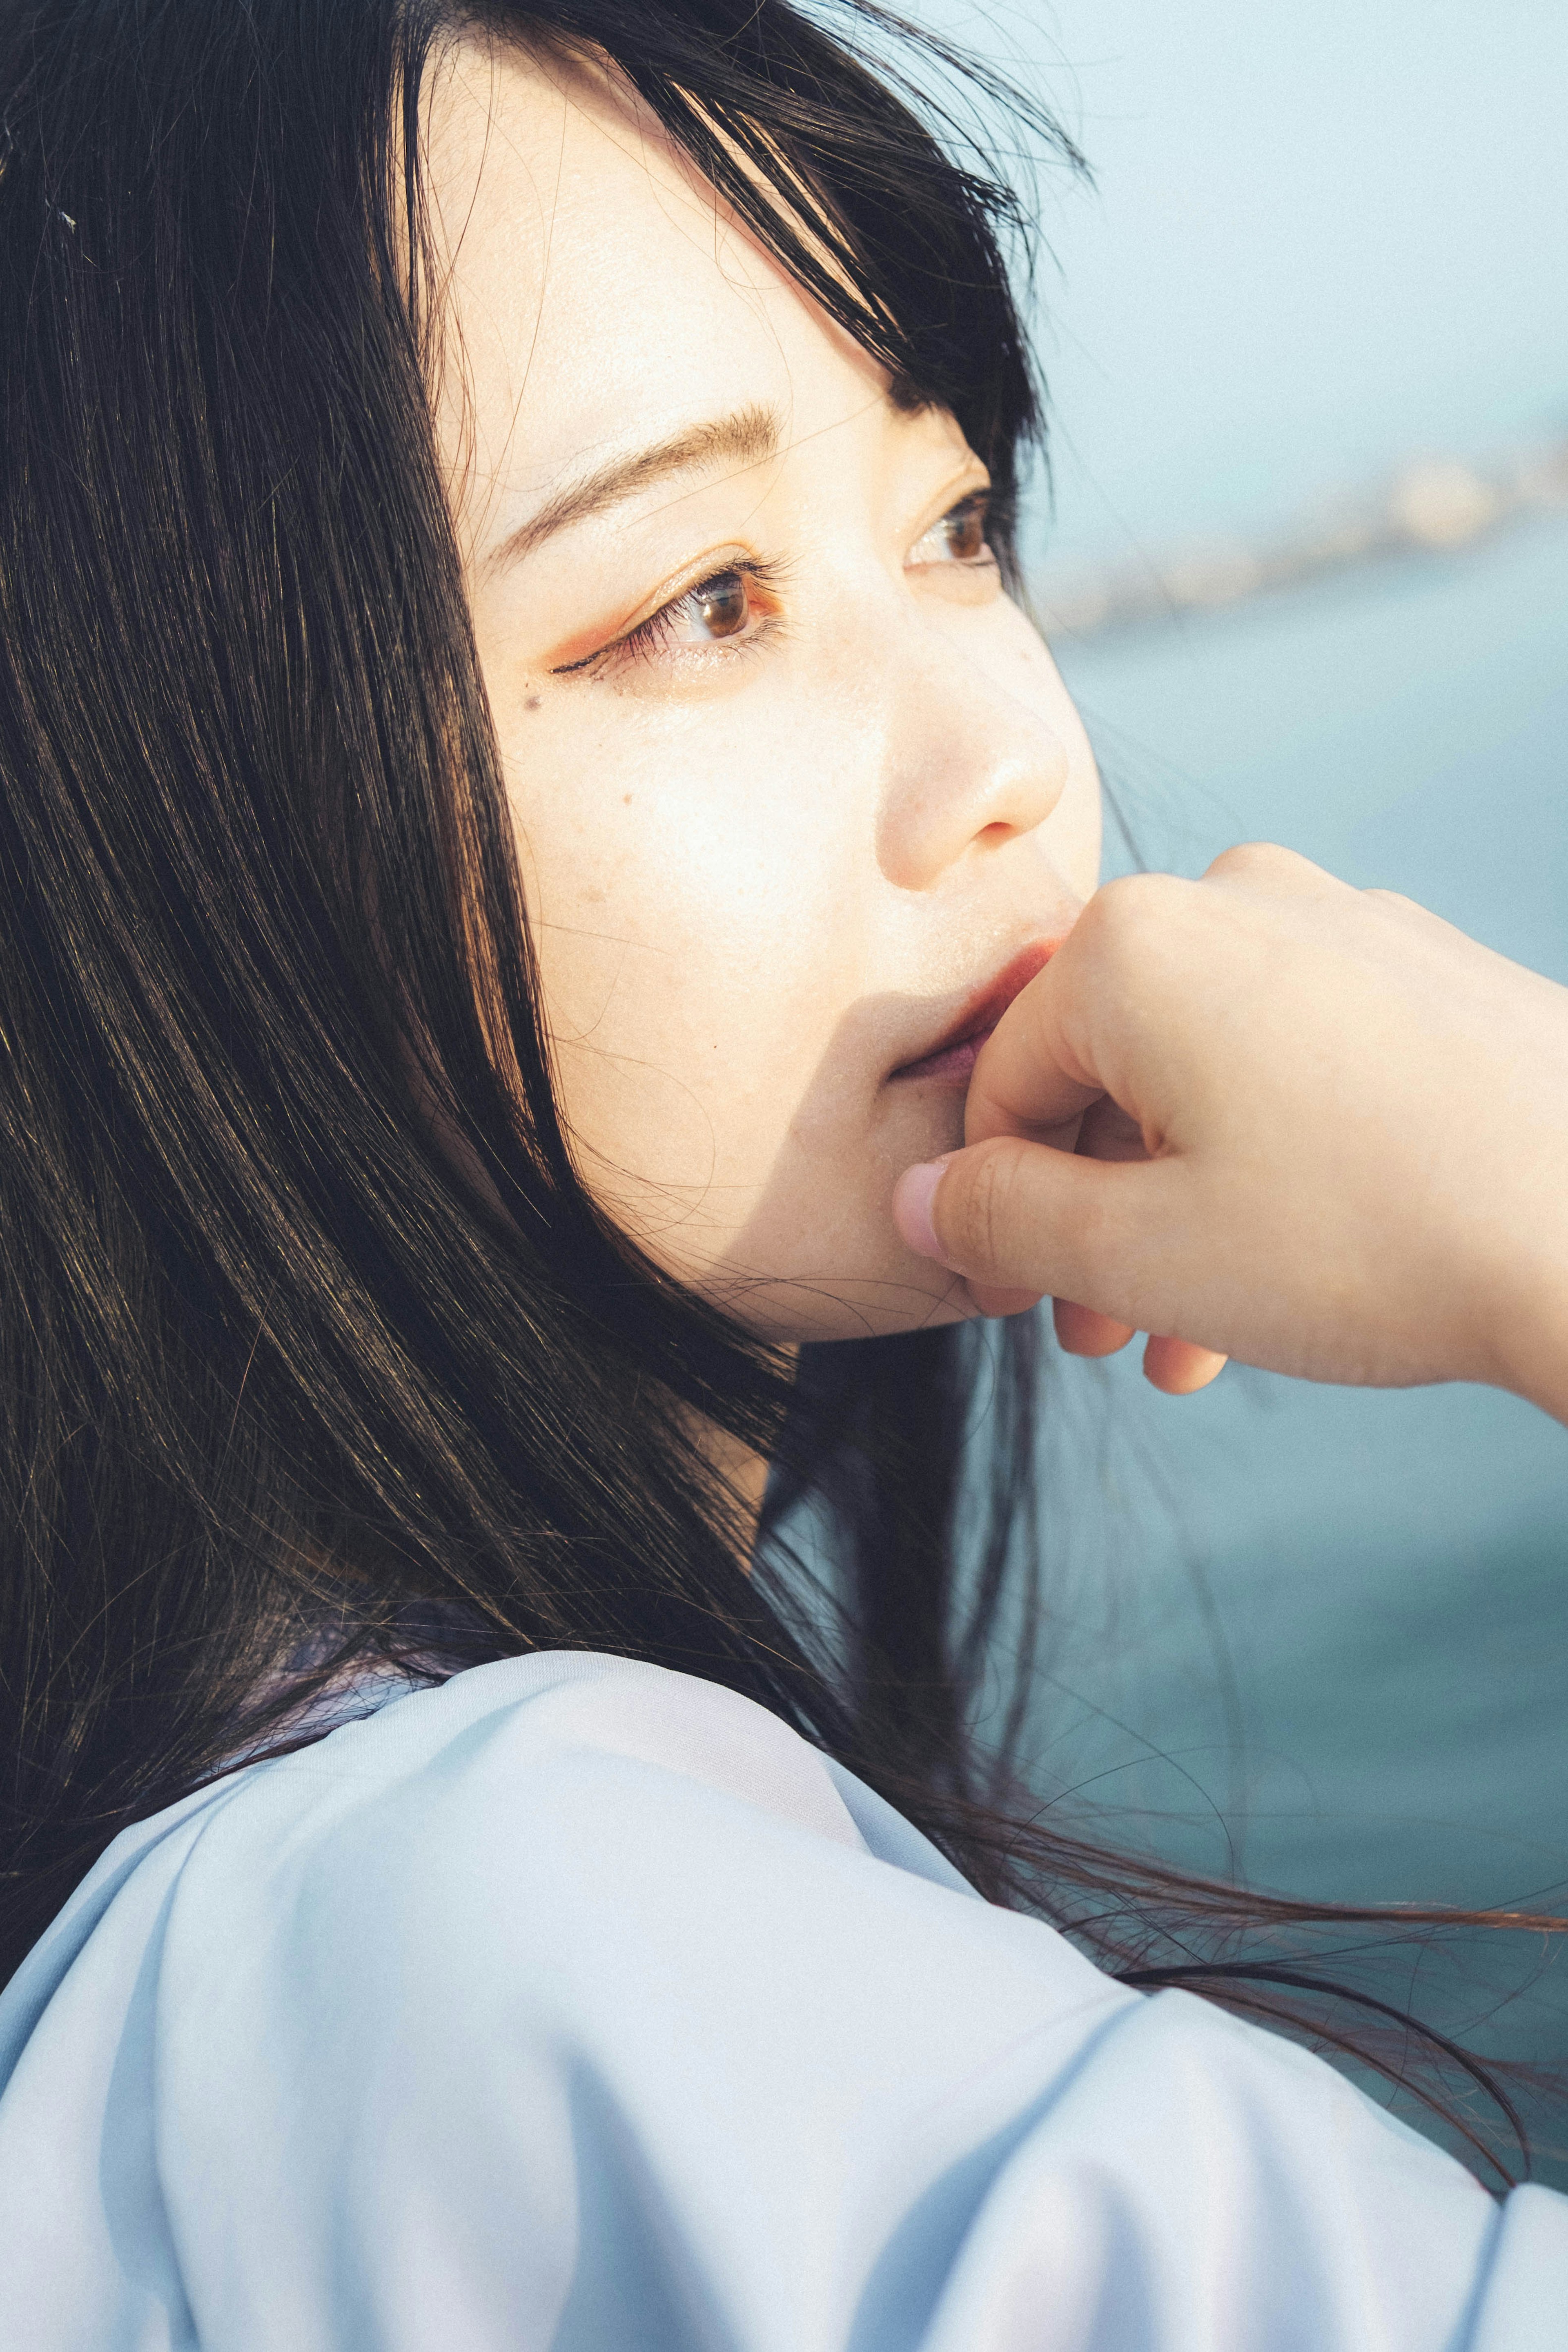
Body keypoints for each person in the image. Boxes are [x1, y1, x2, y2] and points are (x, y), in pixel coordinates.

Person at [0, 2, 1565, 2343]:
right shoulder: (503, 1938)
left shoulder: (303, 1873)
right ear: (170, 833)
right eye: (702, 602)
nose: (1013, 755)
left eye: (954, 523)